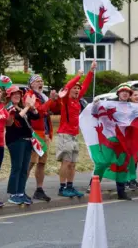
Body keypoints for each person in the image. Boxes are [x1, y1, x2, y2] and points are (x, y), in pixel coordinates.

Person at [56, 62, 96, 197]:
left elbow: (86, 85)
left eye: (78, 89)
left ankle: (70, 186)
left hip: (74, 134)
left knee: (73, 163)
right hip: (64, 134)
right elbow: (66, 87)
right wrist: (78, 76)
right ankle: (62, 188)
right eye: (75, 88)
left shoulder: (77, 100)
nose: (77, 90)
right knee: (66, 161)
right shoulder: (66, 99)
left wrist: (91, 71)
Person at [26, 75, 59, 202]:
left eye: (41, 81)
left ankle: (39, 189)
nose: (40, 83)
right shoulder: (29, 95)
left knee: (41, 163)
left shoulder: (43, 97)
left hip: (44, 133)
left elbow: (55, 109)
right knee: (31, 162)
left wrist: (55, 100)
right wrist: (50, 100)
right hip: (35, 133)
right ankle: (20, 189)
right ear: (31, 84)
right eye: (37, 81)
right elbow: (38, 111)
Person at [5, 86, 40, 205]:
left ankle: (21, 192)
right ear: (9, 96)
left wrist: (33, 107)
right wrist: (27, 107)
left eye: (18, 94)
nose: (17, 96)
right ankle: (13, 194)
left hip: (26, 140)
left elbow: (36, 116)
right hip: (15, 140)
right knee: (17, 167)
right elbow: (18, 117)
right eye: (14, 94)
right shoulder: (9, 107)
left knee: (24, 168)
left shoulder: (22, 107)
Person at [127, 87, 138, 189]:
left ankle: (133, 179)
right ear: (130, 97)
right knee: (130, 159)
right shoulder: (128, 107)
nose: (137, 97)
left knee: (136, 159)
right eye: (135, 95)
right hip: (129, 136)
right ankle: (127, 181)